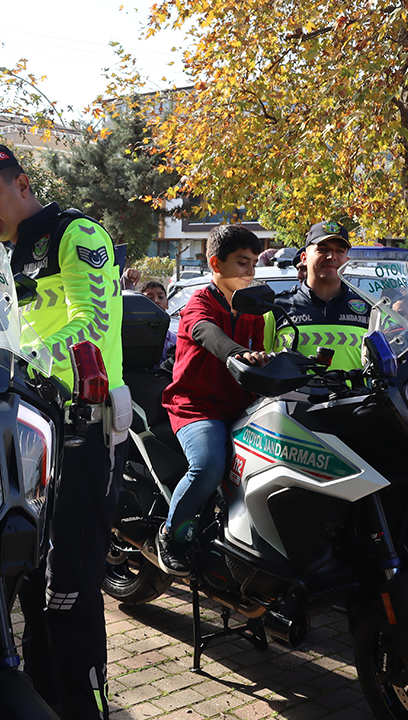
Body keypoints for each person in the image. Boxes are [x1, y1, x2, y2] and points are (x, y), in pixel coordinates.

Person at [0, 144, 126, 720]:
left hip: (82, 429)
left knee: (69, 591)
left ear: (21, 184)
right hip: (23, 435)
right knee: (28, 585)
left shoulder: (78, 235)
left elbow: (92, 326)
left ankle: (86, 708)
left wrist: (18, 359)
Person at [160, 225, 267, 576]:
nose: (249, 272)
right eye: (241, 262)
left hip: (242, 406)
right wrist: (238, 353)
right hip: (197, 407)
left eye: (253, 263)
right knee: (208, 467)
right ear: (215, 264)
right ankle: (172, 536)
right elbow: (208, 333)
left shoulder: (252, 307)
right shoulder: (199, 304)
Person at [263, 221, 369, 370]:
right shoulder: (276, 308)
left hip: (357, 394)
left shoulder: (370, 310)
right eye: (323, 249)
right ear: (304, 258)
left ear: (347, 261)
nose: (332, 256)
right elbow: (261, 362)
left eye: (340, 251)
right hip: (290, 394)